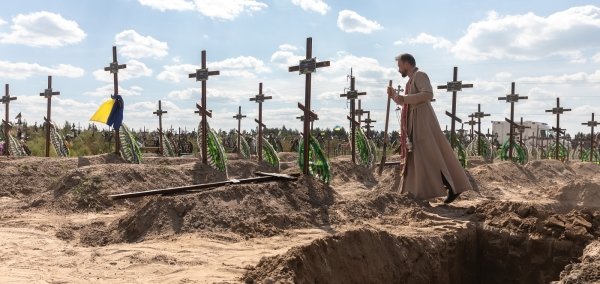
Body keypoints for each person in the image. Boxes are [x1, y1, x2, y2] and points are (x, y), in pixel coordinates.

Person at [387, 53, 472, 204]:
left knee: (432, 155)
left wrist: (402, 98)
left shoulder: (420, 75)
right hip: (415, 121)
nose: (399, 69)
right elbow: (407, 103)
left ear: (407, 64)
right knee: (422, 158)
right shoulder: (410, 81)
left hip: (423, 121)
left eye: (400, 66)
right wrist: (394, 96)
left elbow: (427, 94)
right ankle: (419, 192)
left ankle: (453, 187)